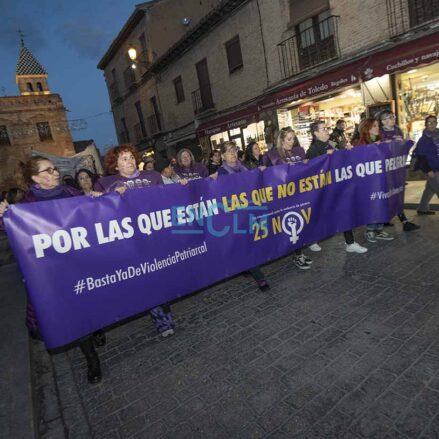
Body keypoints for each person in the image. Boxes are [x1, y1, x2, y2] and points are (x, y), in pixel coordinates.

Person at [0, 157, 103, 384]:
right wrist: (2, 214)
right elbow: (10, 228)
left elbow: (93, 214)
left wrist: (95, 199)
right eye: (49, 170)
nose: (56, 172)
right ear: (35, 177)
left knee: (92, 303)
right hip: (56, 273)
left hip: (84, 264)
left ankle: (97, 329)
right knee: (76, 314)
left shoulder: (70, 192)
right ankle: (91, 359)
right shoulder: (25, 207)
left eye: (55, 168)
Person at [94, 145, 175, 337]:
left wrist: (181, 186)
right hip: (133, 242)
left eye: (131, 157)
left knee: (162, 277)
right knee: (149, 280)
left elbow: (171, 194)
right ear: (115, 165)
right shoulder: (106, 183)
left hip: (157, 236)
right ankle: (162, 321)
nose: (129, 161)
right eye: (123, 159)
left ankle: (166, 309)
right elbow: (98, 212)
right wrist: (101, 197)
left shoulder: (153, 177)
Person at [306, 120, 368, 254]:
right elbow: (313, 170)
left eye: (326, 128)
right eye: (323, 129)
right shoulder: (313, 149)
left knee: (344, 211)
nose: (326, 131)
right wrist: (325, 158)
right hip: (324, 190)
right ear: (316, 133)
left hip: (336, 186)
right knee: (321, 215)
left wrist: (346, 151)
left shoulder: (330, 144)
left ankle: (350, 242)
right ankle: (311, 238)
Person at [217, 141, 270, 291]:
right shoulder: (221, 173)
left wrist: (260, 172)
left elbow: (253, 182)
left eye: (234, 151)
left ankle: (245, 266)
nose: (233, 154)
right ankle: (260, 277)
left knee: (248, 243)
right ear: (222, 156)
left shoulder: (243, 168)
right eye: (228, 152)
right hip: (235, 215)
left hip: (250, 211)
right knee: (246, 244)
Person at [265, 128, 316, 266]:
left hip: (300, 193)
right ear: (281, 140)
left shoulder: (298, 151)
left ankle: (300, 253)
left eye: (293, 138)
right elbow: (268, 177)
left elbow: (307, 168)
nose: (292, 142)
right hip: (284, 197)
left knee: (301, 223)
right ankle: (297, 254)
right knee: (292, 225)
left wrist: (307, 164)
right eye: (289, 139)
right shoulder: (272, 156)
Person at [378, 110, 420, 232]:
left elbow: (401, 148)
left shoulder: (397, 130)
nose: (392, 119)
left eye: (393, 117)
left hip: (397, 168)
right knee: (391, 195)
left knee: (397, 193)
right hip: (386, 171)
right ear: (384, 121)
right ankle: (398, 221)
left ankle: (397, 220)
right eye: (389, 117)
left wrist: (406, 143)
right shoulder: (379, 133)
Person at [356, 119, 395, 242]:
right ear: (367, 128)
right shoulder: (361, 143)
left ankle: (379, 229)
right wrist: (374, 148)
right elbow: (360, 159)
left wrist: (392, 144)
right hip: (370, 181)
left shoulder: (382, 139)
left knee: (382, 202)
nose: (377, 128)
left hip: (382, 177)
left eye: (378, 125)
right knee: (373, 204)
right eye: (374, 126)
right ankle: (370, 230)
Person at [415, 115, 439, 215]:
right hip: (432, 169)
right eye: (429, 122)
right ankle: (422, 208)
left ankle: (422, 208)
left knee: (429, 188)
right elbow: (420, 157)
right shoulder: (423, 140)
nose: (432, 124)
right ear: (425, 125)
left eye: (434, 122)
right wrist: (428, 171)